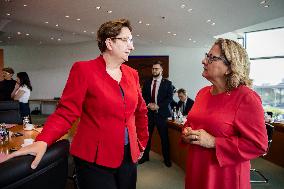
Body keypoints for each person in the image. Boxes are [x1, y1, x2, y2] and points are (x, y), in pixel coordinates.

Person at [7, 19, 149, 189]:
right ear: (109, 42)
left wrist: (141, 143)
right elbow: (65, 112)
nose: (132, 46)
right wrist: (43, 140)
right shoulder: (84, 70)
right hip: (94, 158)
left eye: (131, 40)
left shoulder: (132, 74)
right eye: (126, 40)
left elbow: (140, 112)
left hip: (128, 156)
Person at [181, 38, 268, 189]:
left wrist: (214, 142)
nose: (203, 61)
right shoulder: (202, 93)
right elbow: (191, 123)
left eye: (211, 57)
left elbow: (258, 145)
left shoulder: (246, 97)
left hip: (225, 178)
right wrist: (187, 132)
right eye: (206, 55)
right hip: (197, 169)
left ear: (229, 67)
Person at [139, 61, 173, 167]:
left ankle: (167, 159)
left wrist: (158, 106)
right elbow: (143, 95)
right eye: (153, 68)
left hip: (161, 114)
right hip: (149, 114)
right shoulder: (147, 82)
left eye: (157, 69)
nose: (154, 70)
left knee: (164, 138)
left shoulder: (168, 83)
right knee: (146, 137)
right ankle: (145, 157)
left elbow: (169, 98)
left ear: (161, 70)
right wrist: (149, 104)